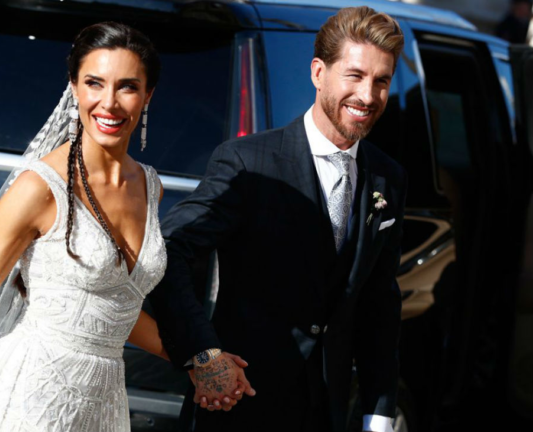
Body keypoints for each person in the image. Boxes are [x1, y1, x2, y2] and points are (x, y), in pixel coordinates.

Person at [0, 22, 248, 432]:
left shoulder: (150, 186)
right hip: (29, 401)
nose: (109, 103)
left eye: (127, 87)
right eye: (94, 83)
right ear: (74, 88)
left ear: (148, 96)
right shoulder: (39, 188)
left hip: (103, 407)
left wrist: (201, 358)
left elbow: (113, 312)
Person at [149, 6, 407, 432]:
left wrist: (378, 415)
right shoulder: (248, 162)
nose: (368, 95)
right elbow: (169, 250)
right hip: (240, 406)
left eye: (381, 81)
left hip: (327, 412)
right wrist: (202, 353)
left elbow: (380, 304)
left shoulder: (388, 177)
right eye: (355, 76)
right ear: (318, 72)